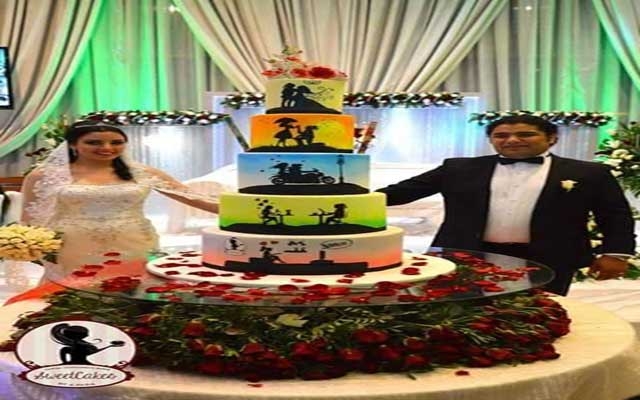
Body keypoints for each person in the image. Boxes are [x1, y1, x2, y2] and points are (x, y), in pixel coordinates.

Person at [376, 115, 636, 295]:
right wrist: (356, 196)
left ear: (552, 138)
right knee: (466, 311)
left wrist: (616, 254)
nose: (511, 140)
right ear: (491, 140)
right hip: (468, 254)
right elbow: (400, 193)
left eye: (525, 134)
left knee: (542, 313)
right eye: (501, 135)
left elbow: (615, 215)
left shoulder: (589, 173)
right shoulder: (458, 168)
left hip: (549, 256)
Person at [20, 121, 219, 274]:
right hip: (72, 243)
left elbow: (192, 197)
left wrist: (235, 210)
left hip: (134, 240)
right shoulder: (44, 175)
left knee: (131, 288)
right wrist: (32, 247)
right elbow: (30, 219)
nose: (107, 147)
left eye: (116, 142)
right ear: (73, 145)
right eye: (94, 142)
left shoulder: (143, 172)